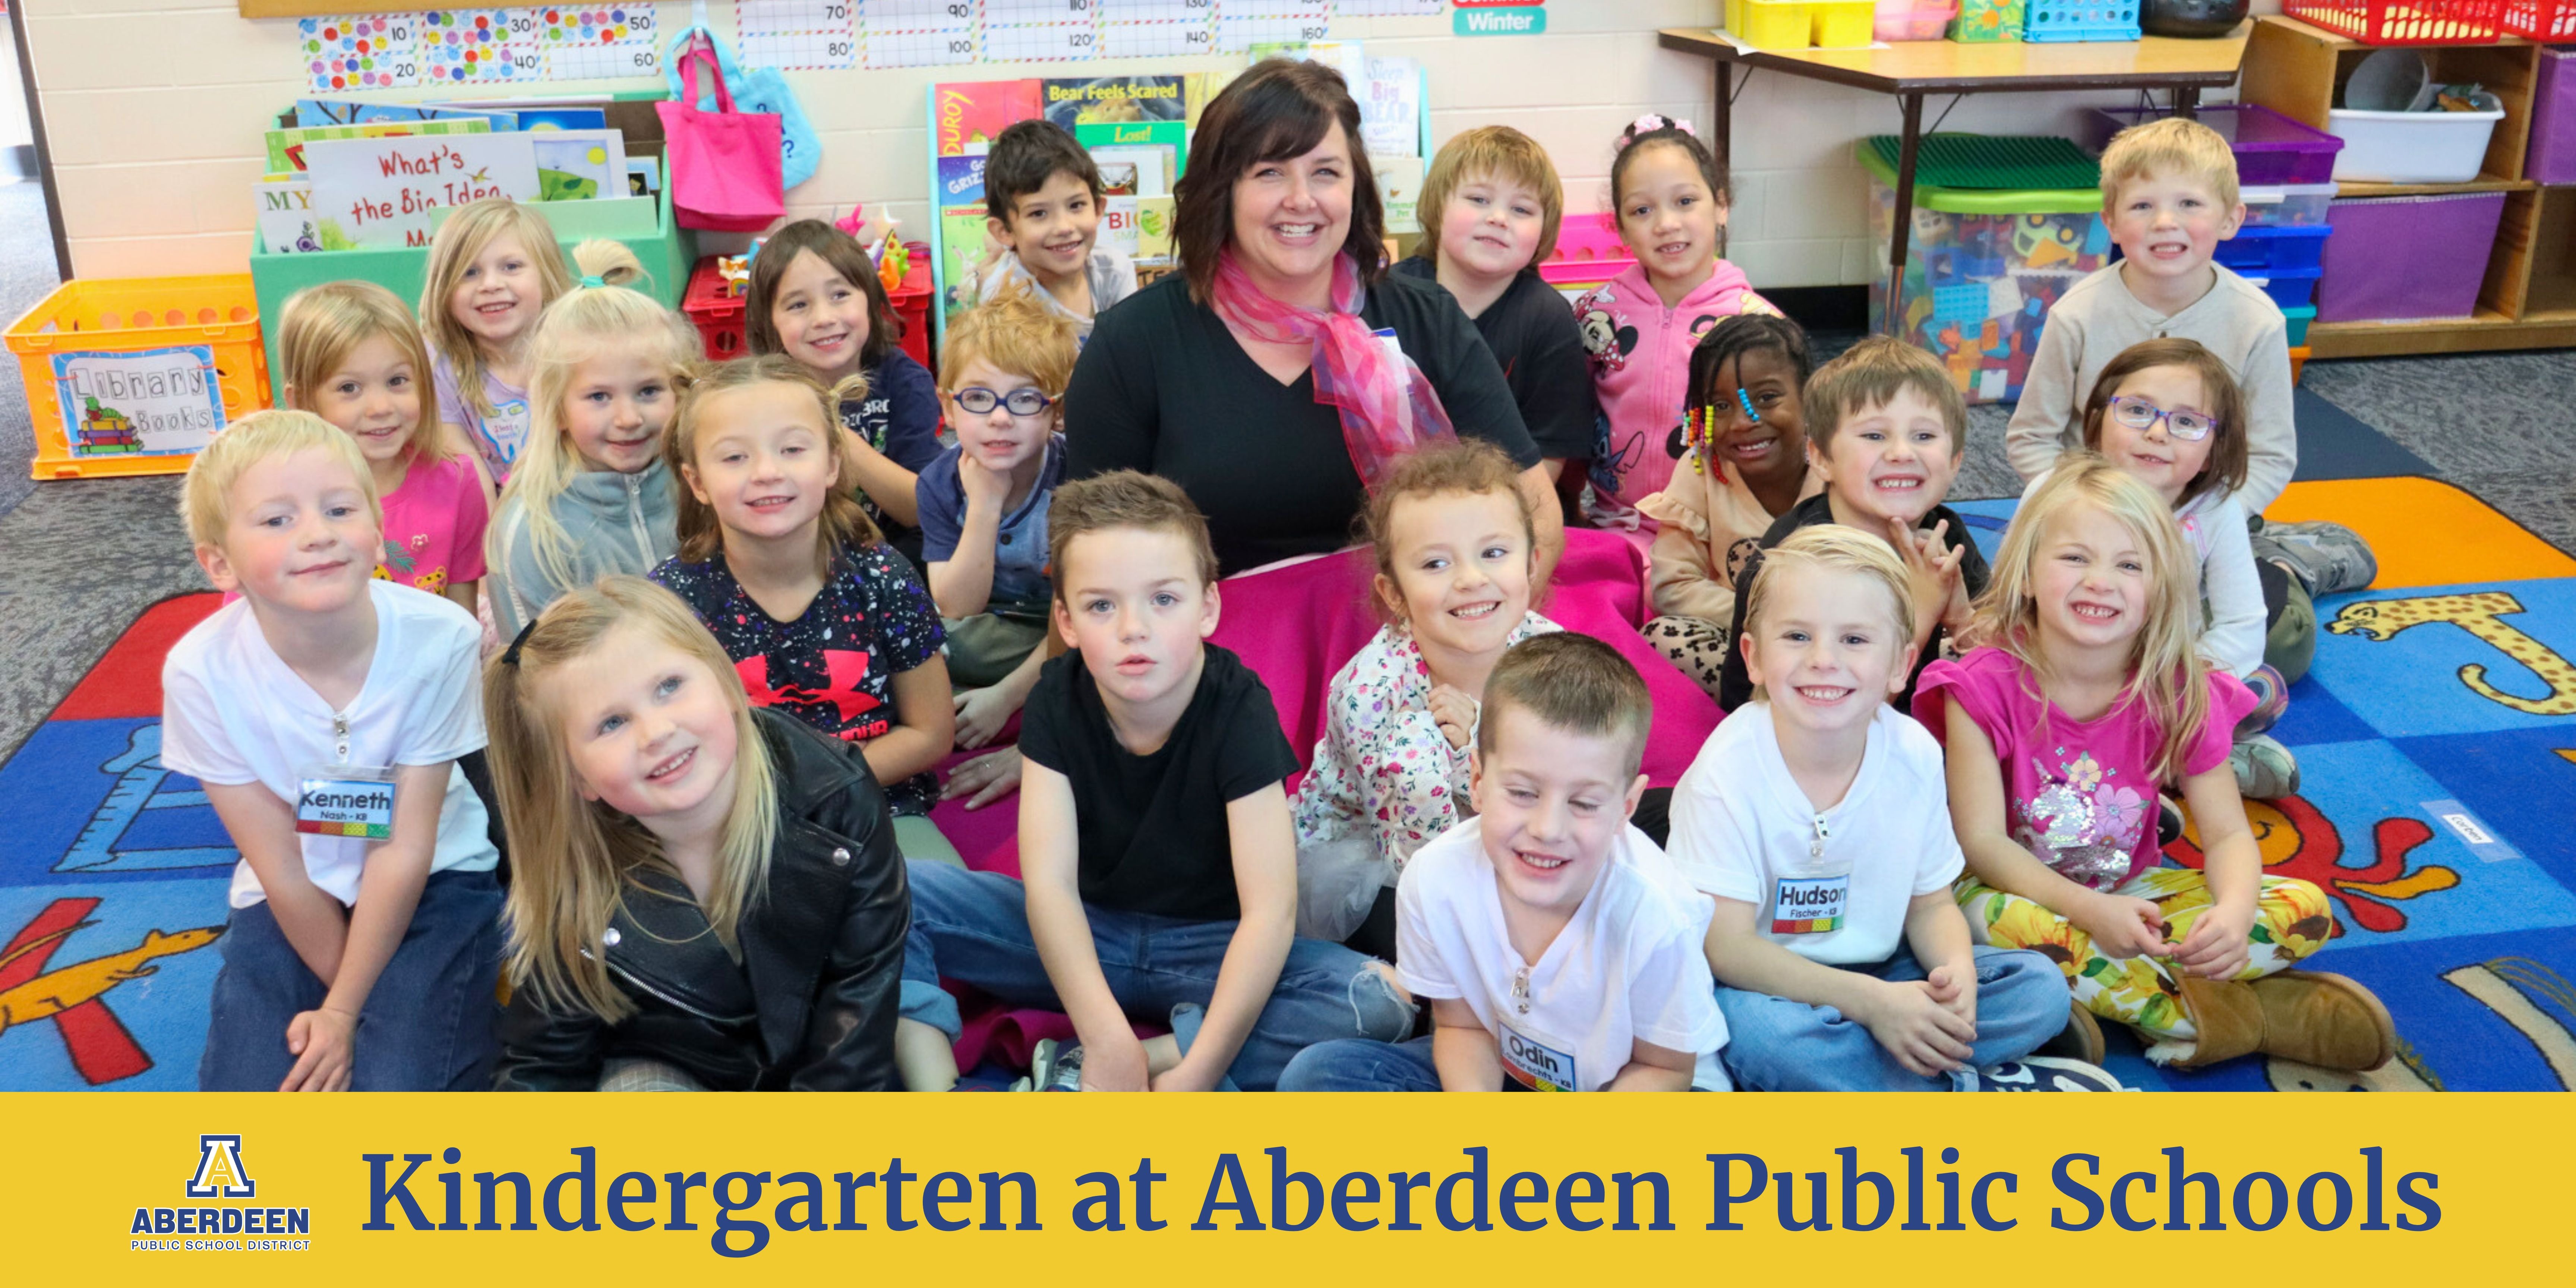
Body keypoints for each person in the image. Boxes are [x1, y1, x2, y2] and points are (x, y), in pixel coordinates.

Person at [891, 472, 1415, 1092]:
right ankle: (936, 1093)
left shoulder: (1238, 707)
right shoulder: (1058, 696)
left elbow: (1269, 914)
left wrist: (1195, 1069)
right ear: (1064, 619)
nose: (1132, 628)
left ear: (1207, 607)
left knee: (1380, 1002)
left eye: (1162, 600)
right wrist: (1104, 1030)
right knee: (888, 892)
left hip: (1207, 952)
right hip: (1088, 934)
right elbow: (1051, 887)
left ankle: (1140, 1059)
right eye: (1101, 605)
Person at [1920, 457, 2397, 1071]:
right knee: (1988, 923)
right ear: (2028, 574)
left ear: (2159, 590)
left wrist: (2229, 914)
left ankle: (2115, 999)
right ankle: (2246, 1018)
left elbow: (2226, 833)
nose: (2100, 581)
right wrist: (2090, 912)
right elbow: (1981, 842)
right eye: (2074, 558)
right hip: (2012, 892)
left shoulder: (2176, 689)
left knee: (2303, 908)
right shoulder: (1980, 687)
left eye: (2129, 565)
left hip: (2133, 889)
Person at [1063, 57, 1560, 578]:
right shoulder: (1133, 342)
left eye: (1325, 172)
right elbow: (1091, 561)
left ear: (1356, 188)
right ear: (1222, 190)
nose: (1301, 201)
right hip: (1207, 649)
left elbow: (1536, 516)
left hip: (1413, 642)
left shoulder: (1429, 320)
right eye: (1270, 172)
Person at [1672, 527, 2110, 1092]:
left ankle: (1875, 1073)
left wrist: (1957, 983)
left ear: (1901, 666)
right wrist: (1874, 1006)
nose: (1824, 660)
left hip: (1887, 970)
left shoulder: (1915, 755)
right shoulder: (1725, 772)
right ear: (1754, 658)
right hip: (1769, 988)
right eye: (1798, 636)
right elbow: (1727, 949)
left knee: (2040, 986)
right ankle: (1944, 1080)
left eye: (1855, 640)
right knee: (1755, 1035)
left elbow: (1930, 908)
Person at [161, 411, 501, 1090]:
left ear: (377, 535)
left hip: (435, 875)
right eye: (276, 520)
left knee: (398, 1085)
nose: (317, 534)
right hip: (298, 888)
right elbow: (282, 867)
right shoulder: (200, 671)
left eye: (339, 509)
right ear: (219, 563)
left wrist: (345, 1009)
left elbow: (403, 849)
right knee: (254, 1094)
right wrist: (345, 1005)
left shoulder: (441, 639)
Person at [484, 577, 909, 1091]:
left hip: (821, 1069)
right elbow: (542, 1064)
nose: (657, 732)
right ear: (577, 778)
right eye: (612, 723)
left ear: (726, 683)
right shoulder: (581, 873)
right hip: (674, 1069)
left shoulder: (834, 798)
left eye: (669, 687)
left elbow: (858, 1002)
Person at [1278, 633, 1723, 1092]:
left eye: (1585, 803)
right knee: (1323, 1074)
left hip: (1625, 1094)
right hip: (1501, 1072)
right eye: (1523, 793)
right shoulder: (1434, 880)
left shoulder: (1660, 914)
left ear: (1626, 808)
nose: (1548, 829)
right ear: (1477, 781)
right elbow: (1462, 1029)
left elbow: (1665, 1070)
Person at [2004, 116, 2374, 593]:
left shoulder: (2257, 322)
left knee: (2253, 623)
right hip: (2090, 515)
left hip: (2201, 515)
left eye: (2189, 204)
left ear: (2230, 219)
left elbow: (2270, 454)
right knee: (2036, 603)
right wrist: (2077, 506)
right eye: (2142, 205)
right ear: (2111, 223)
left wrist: (2212, 523)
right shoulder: (2076, 315)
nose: (2164, 222)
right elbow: (2032, 437)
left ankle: (2290, 563)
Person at [650, 356, 961, 868]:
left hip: (876, 805)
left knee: (936, 907)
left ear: (833, 464)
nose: (768, 472)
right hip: (733, 818)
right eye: (733, 458)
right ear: (697, 481)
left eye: (793, 449)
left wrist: (810, 786)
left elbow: (930, 733)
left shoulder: (883, 577)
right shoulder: (673, 602)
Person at [1291, 441, 1560, 960]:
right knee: (1438, 946)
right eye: (1436, 563)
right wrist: (1471, 753)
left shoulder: (1544, 652)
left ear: (1531, 565)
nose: (1471, 579)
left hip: (1502, 825)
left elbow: (1566, 765)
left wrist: (1479, 730)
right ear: (1395, 595)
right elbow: (1419, 865)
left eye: (1495, 553)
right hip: (1382, 854)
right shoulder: (1371, 694)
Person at [2048, 338, 2308, 799]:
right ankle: (2188, 769)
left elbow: (2243, 623)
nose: (2158, 433)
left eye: (2187, 422)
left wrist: (2183, 678)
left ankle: (2169, 760)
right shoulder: (2055, 495)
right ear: (2096, 422)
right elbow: (2013, 596)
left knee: (2268, 679)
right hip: (2073, 668)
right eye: (2136, 411)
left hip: (2169, 674)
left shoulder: (2216, 509)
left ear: (2212, 450)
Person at [1714, 337, 1986, 714]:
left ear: (1955, 460)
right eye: (1875, 436)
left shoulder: (1944, 532)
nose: (1902, 453)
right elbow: (1843, 718)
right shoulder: (1802, 559)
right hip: (1805, 727)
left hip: (1898, 720)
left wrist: (1960, 617)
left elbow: (2006, 668)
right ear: (1822, 458)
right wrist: (1923, 611)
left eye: (1924, 436)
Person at [1573, 114, 1781, 538]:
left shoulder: (1756, 324)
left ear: (1721, 206)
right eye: (1642, 210)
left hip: (1720, 529)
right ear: (1621, 227)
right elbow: (1569, 417)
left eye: (1685, 201)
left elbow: (1783, 436)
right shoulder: (1598, 313)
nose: (1666, 223)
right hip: (1618, 523)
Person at [916, 285, 1077, 817]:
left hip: (1058, 631)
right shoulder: (941, 483)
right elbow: (958, 605)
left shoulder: (1074, 476)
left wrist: (1008, 694)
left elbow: (1076, 615)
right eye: (979, 398)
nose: (1000, 418)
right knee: (927, 648)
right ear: (948, 405)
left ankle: (1035, 716)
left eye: (1025, 398)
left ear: (1055, 412)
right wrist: (984, 505)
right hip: (981, 628)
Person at [485, 243, 702, 638]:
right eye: (599, 397)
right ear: (559, 410)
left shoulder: (702, 488)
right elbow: (530, 673)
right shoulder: (535, 530)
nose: (629, 418)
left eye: (650, 391)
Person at [1391, 125, 1598, 493]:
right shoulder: (1387, 300)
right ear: (1439, 205)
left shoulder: (1548, 320)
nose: (1500, 218)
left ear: (1544, 230)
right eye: (1479, 200)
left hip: (1509, 514)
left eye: (1521, 209)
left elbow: (1550, 458)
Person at [277, 280, 487, 616]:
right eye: (349, 388)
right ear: (301, 400)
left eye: (397, 381)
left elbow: (463, 614)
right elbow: (252, 617)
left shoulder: (459, 480)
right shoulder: (278, 500)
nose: (380, 407)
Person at [1638, 314, 1821, 698]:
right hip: (1740, 644)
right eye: (1719, 406)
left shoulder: (1838, 468)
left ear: (1810, 396)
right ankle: (1770, 708)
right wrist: (1768, 623)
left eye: (1767, 398)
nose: (1742, 422)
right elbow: (1672, 588)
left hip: (1833, 640)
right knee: (1660, 639)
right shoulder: (1699, 470)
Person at [746, 219, 945, 565]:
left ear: (869, 300)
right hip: (799, 560)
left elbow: (922, 510)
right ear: (768, 322)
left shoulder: (906, 381)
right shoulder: (762, 396)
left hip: (894, 560)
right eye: (797, 305)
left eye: (840, 295)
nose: (823, 318)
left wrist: (840, 439)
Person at [421, 198, 574, 483]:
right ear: (444, 287)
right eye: (470, 272)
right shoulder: (439, 365)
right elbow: (469, 474)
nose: (490, 285)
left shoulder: (576, 352)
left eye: (511, 267)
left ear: (547, 274)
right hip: (497, 509)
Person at [970, 117, 1137, 342]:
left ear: (1099, 209)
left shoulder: (1114, 271)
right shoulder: (1002, 300)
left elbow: (1134, 356)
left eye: (1076, 206)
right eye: (1039, 214)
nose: (1064, 227)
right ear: (1004, 232)